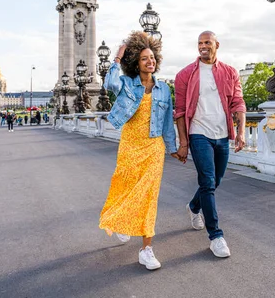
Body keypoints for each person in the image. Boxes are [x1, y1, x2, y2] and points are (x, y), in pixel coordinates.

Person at [99, 31, 182, 271]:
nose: (150, 61)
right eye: (144, 58)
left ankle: (146, 249)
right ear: (136, 62)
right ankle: (121, 222)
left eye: (152, 58)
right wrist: (117, 58)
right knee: (124, 186)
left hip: (153, 147)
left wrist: (174, 148)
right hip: (130, 144)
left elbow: (167, 122)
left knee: (148, 197)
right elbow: (109, 83)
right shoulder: (126, 83)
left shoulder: (164, 89)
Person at [174, 31, 246, 258]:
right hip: (199, 133)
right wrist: (183, 142)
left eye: (207, 43)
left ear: (217, 45)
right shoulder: (185, 74)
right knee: (207, 181)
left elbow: (238, 102)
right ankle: (216, 236)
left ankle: (194, 207)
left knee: (216, 180)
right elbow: (180, 111)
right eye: (199, 43)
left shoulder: (230, 72)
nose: (203, 46)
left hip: (222, 134)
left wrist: (241, 132)